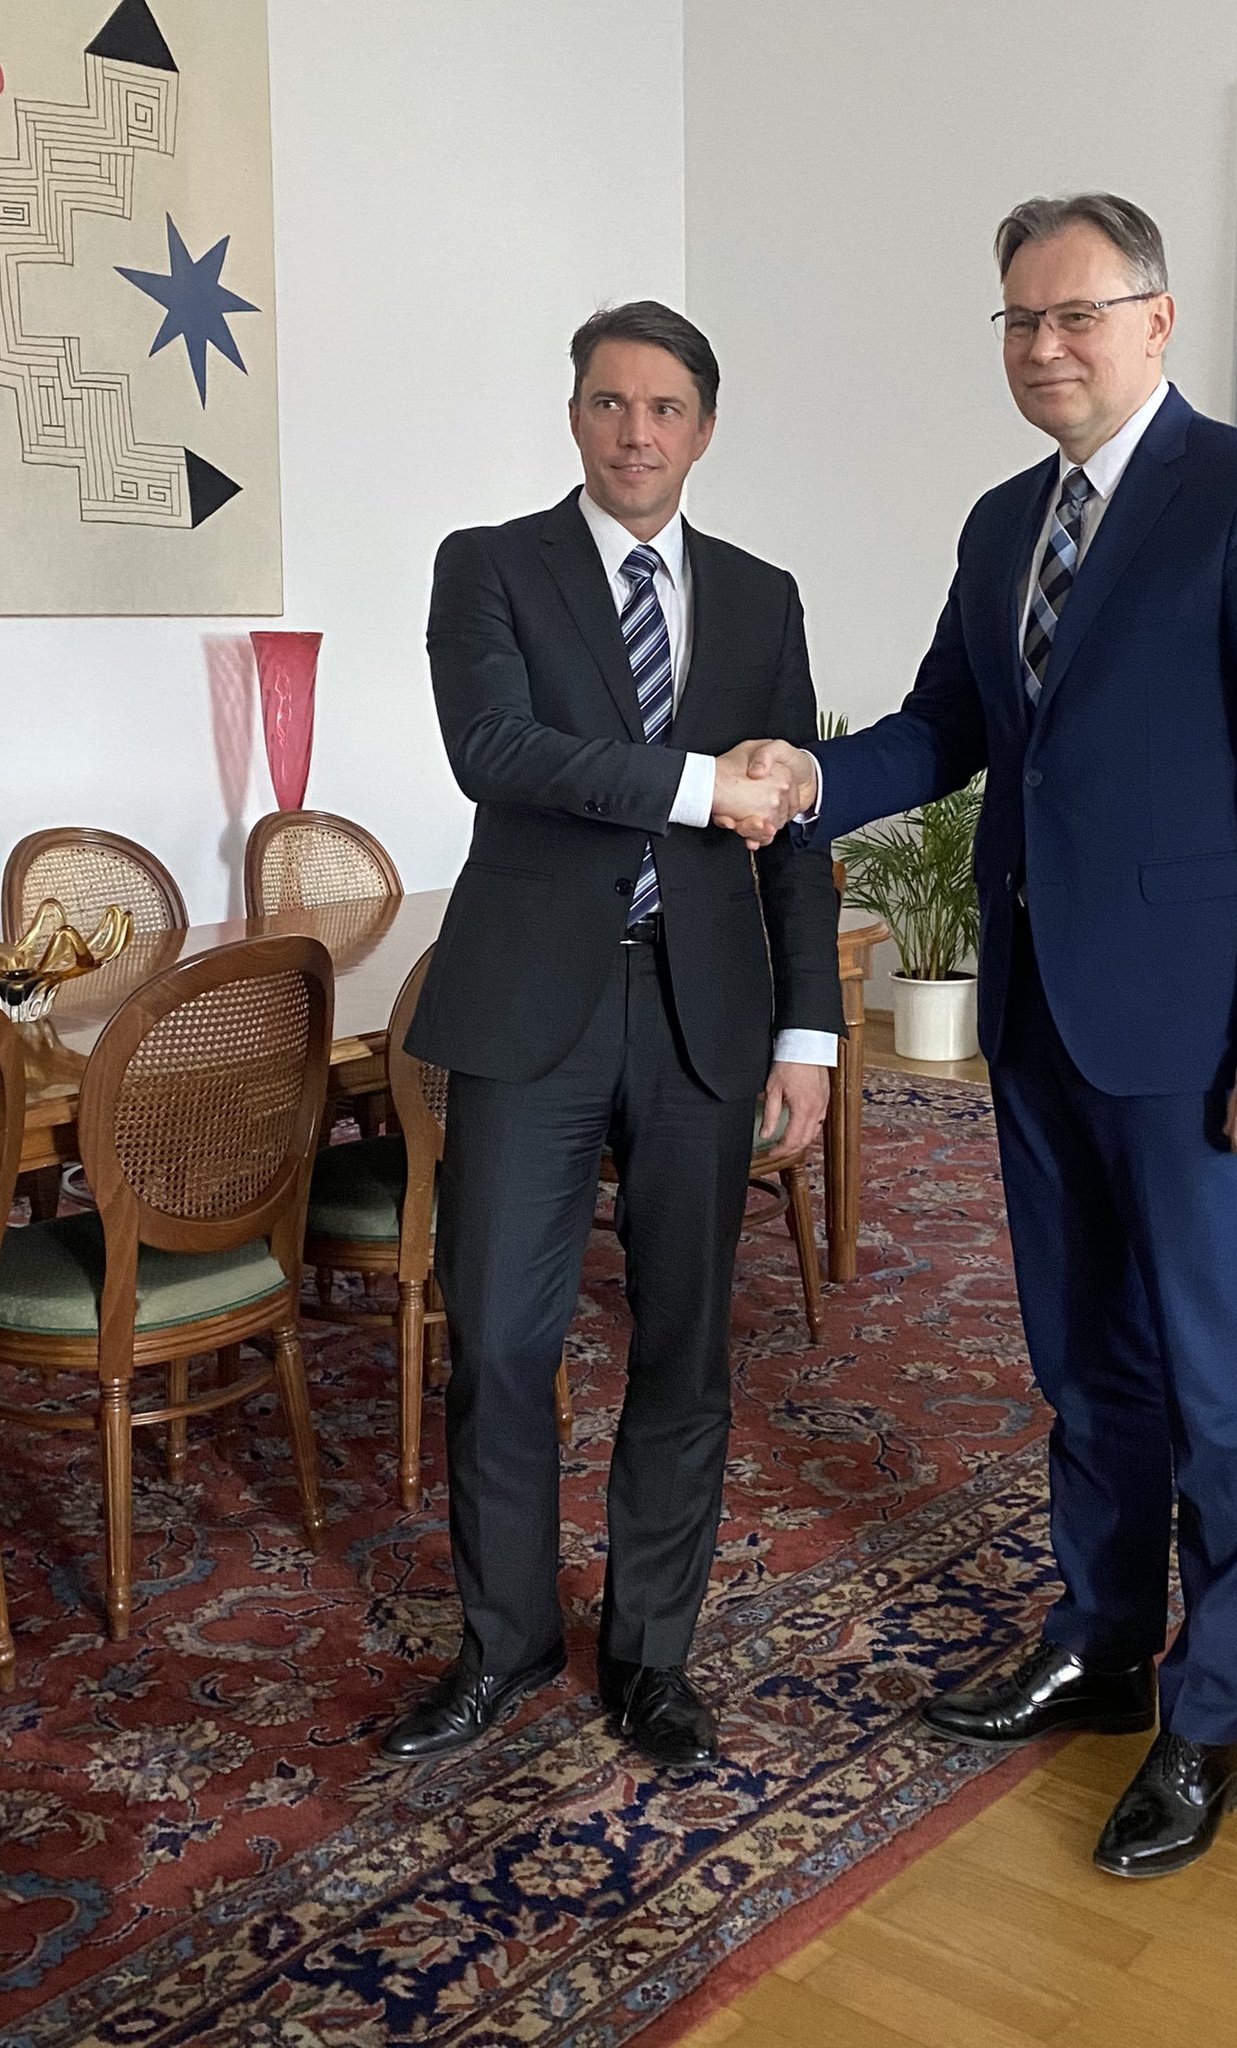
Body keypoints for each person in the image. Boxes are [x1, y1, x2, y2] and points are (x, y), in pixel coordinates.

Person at [732, 195, 1237, 1875]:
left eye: (1075, 314)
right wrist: (809, 778)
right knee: (1083, 1361)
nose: (1042, 346)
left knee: (1215, 1381)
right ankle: (1098, 1647)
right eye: (1019, 320)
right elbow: (948, 725)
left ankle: (1207, 1724)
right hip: (1035, 1017)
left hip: (1193, 1032)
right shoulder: (1001, 519)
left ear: (1154, 321)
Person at [382, 301, 841, 1770]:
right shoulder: (490, 565)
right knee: (501, 1344)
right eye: (607, 403)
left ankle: (651, 1655)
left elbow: (796, 834)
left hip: (704, 1014)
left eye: (663, 408)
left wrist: (810, 1034)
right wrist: (703, 785)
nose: (634, 433)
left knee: (685, 1348)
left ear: (704, 429)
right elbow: (495, 750)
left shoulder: (761, 596)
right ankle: (504, 1643)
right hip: (532, 1010)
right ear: (573, 415)